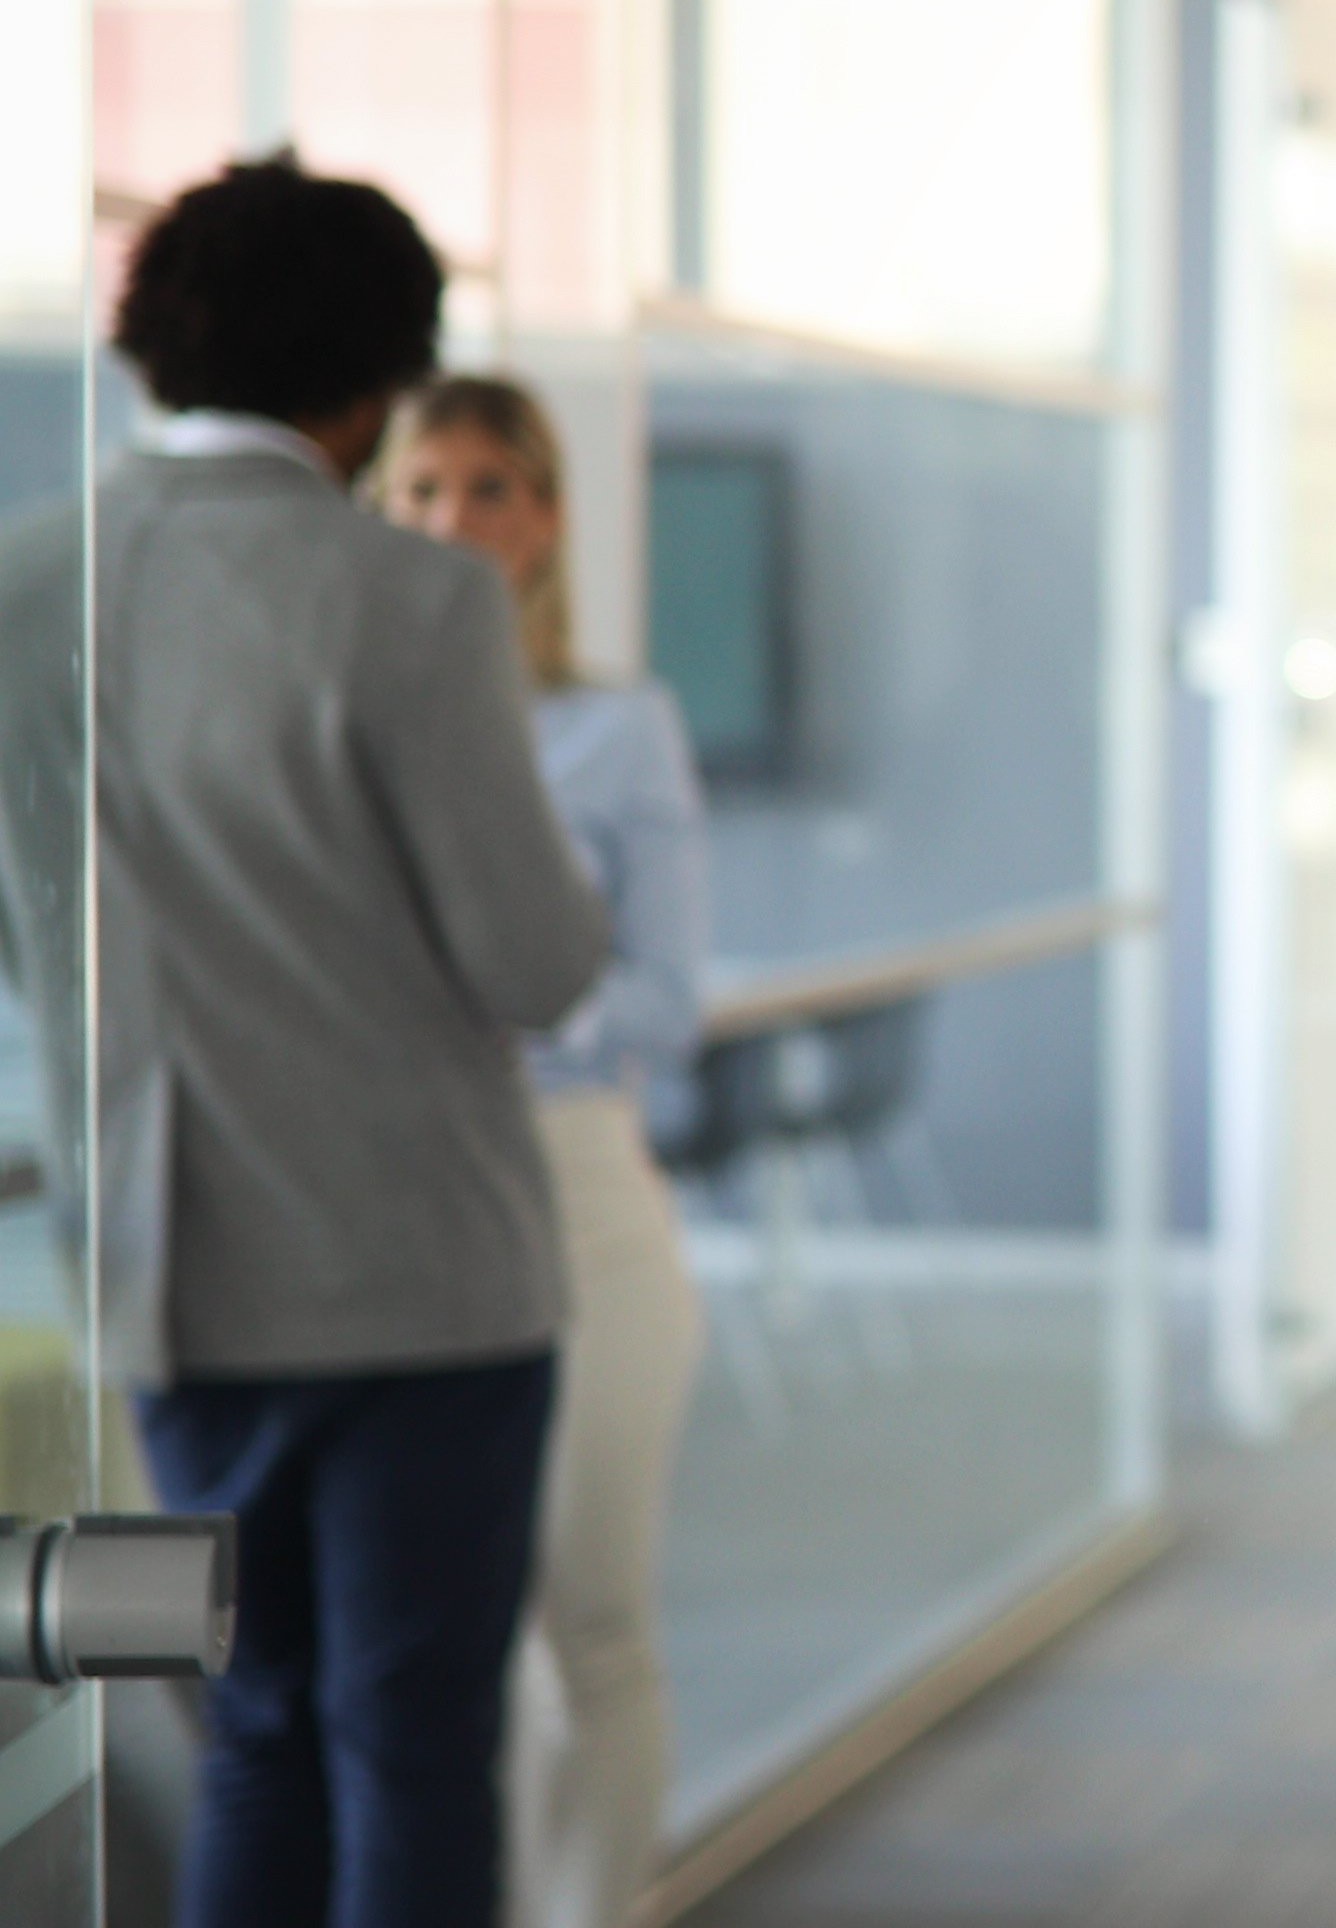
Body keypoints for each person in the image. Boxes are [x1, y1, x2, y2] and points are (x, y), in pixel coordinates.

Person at [0, 154, 608, 1928]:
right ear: (373, 387)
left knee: (255, 1730)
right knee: (416, 1746)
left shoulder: (25, 585)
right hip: (428, 1281)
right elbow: (535, 960)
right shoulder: (413, 602)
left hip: (170, 1272)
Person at [382, 376, 710, 1928]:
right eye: (426, 491)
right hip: (401, 1216)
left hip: (579, 1196)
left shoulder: (615, 725)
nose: (458, 522)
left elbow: (667, 994)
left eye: (491, 488)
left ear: (549, 515)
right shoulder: (357, 712)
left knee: (595, 1622)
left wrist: (493, 1022)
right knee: (448, 1640)